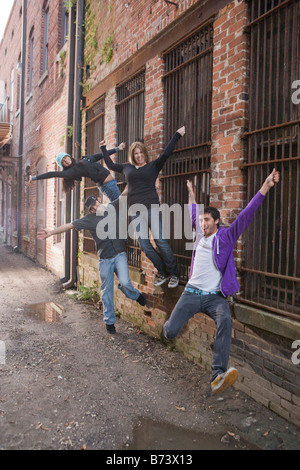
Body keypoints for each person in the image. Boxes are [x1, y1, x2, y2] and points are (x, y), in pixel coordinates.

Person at [162, 168, 280, 394]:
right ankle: (168, 327)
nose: (202, 223)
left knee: (225, 319)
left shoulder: (225, 237)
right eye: (202, 220)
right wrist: (190, 192)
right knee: (170, 333)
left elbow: (247, 213)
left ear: (216, 221)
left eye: (207, 220)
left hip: (213, 297)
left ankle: (217, 374)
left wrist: (266, 186)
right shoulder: (199, 233)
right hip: (191, 294)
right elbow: (192, 211)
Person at [37, 195, 146, 334]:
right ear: (90, 210)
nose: (95, 207)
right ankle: (109, 322)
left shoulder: (112, 207)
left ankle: (136, 296)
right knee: (106, 292)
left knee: (125, 282)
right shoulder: (89, 219)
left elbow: (125, 193)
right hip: (105, 259)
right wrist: (51, 232)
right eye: (91, 207)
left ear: (99, 200)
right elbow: (70, 225)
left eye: (95, 203)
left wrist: (135, 174)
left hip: (119, 254)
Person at [100, 127, 186, 289]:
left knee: (160, 240)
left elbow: (166, 153)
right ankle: (162, 271)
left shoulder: (153, 166)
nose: (138, 156)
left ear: (144, 153)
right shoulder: (127, 168)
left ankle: (174, 273)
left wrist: (176, 135)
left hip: (151, 207)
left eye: (140, 153)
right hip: (135, 210)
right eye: (135, 154)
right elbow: (110, 164)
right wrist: (103, 148)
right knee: (145, 245)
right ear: (132, 155)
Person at [27, 143, 126, 202]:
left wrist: (117, 149)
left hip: (112, 183)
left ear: (68, 156)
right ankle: (121, 235)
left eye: (65, 158)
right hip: (107, 186)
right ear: (63, 166)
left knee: (121, 207)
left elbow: (101, 155)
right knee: (121, 207)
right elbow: (52, 174)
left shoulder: (84, 158)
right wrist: (34, 178)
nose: (66, 161)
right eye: (63, 162)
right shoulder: (71, 172)